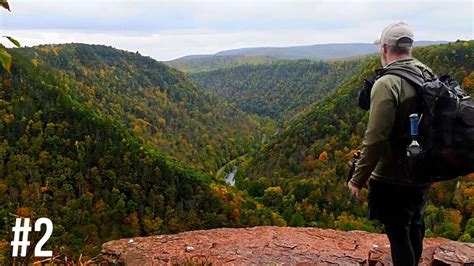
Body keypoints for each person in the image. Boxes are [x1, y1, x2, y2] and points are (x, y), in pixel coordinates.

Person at [347, 22, 436, 266]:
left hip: (393, 176)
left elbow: (376, 137)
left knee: (397, 232)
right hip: (422, 169)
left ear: (385, 48)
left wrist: (357, 177)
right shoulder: (426, 73)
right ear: (409, 47)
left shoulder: (387, 84)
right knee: (415, 224)